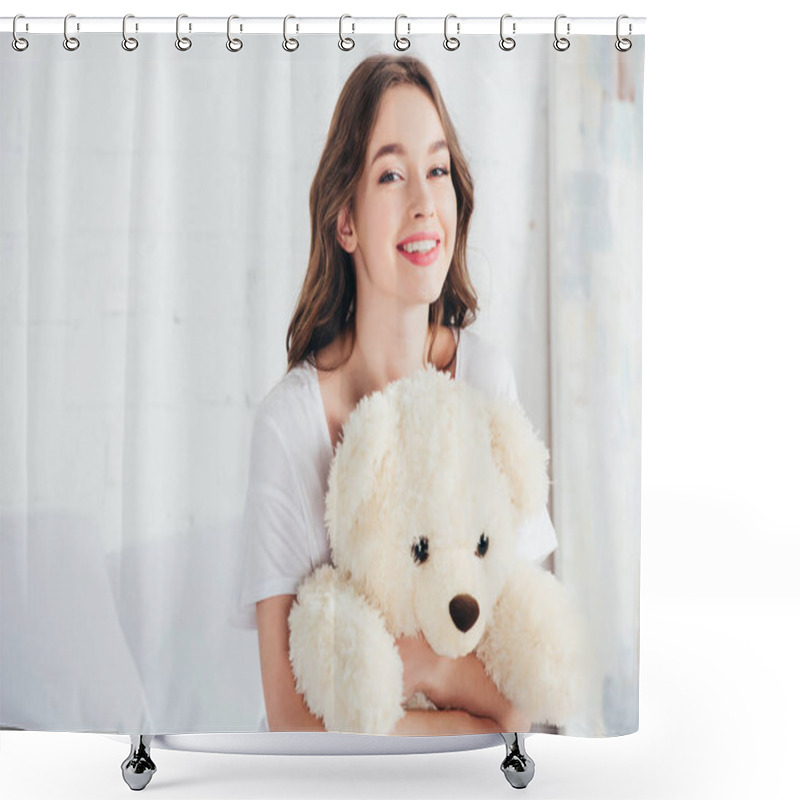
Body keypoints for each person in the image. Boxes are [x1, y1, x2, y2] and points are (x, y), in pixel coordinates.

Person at [235, 54, 557, 735]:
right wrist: (472, 723)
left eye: (437, 169)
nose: (423, 203)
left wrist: (426, 668)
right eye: (390, 174)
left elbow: (529, 687)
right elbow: (292, 722)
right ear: (344, 221)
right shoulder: (291, 426)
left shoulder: (485, 385)